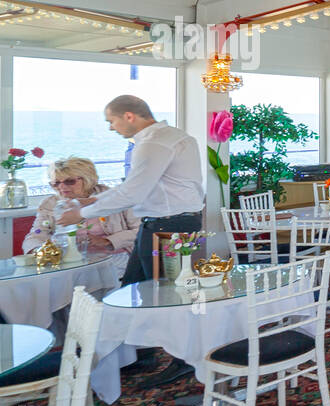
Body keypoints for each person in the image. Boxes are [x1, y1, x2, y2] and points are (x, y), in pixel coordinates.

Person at [58, 95, 204, 286]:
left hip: (166, 226)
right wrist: (95, 200)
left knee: (159, 293)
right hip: (174, 222)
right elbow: (135, 184)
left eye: (112, 121)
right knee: (133, 285)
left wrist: (81, 214)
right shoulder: (176, 136)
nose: (111, 127)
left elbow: (133, 193)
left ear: (129, 116)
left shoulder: (153, 144)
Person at [25, 157, 139, 277]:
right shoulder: (50, 204)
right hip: (68, 262)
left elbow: (139, 231)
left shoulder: (116, 198)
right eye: (56, 183)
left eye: (69, 181)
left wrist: (107, 241)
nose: (62, 187)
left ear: (88, 179)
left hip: (114, 258)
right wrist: (38, 251)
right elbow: (36, 234)